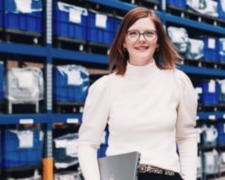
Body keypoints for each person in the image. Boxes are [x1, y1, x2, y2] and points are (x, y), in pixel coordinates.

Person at [78, 6, 198, 180]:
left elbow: (186, 137)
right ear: (123, 42)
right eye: (133, 33)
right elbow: (87, 143)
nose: (141, 39)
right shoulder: (105, 87)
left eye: (149, 33)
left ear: (158, 42)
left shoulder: (178, 82)